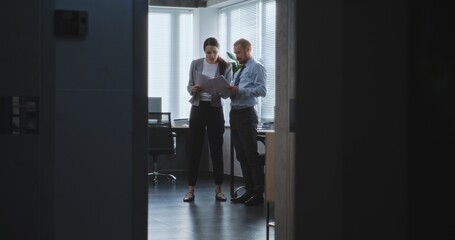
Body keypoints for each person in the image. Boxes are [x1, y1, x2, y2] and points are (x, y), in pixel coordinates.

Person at [183, 37, 233, 202]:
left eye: (215, 52)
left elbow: (227, 93)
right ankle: (190, 190)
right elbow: (189, 85)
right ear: (204, 51)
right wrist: (193, 89)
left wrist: (219, 89)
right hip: (198, 108)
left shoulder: (226, 66)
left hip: (215, 109)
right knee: (194, 148)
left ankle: (218, 190)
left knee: (216, 149)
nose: (212, 56)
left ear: (218, 50)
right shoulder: (196, 63)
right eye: (208, 52)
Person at [227, 38, 267, 206]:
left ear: (248, 50)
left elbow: (262, 90)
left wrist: (240, 90)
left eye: (239, 53)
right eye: (235, 53)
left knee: (251, 155)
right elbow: (234, 89)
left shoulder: (256, 67)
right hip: (235, 114)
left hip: (246, 115)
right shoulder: (239, 71)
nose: (236, 56)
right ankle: (249, 191)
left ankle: (258, 195)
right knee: (241, 156)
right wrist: (225, 90)